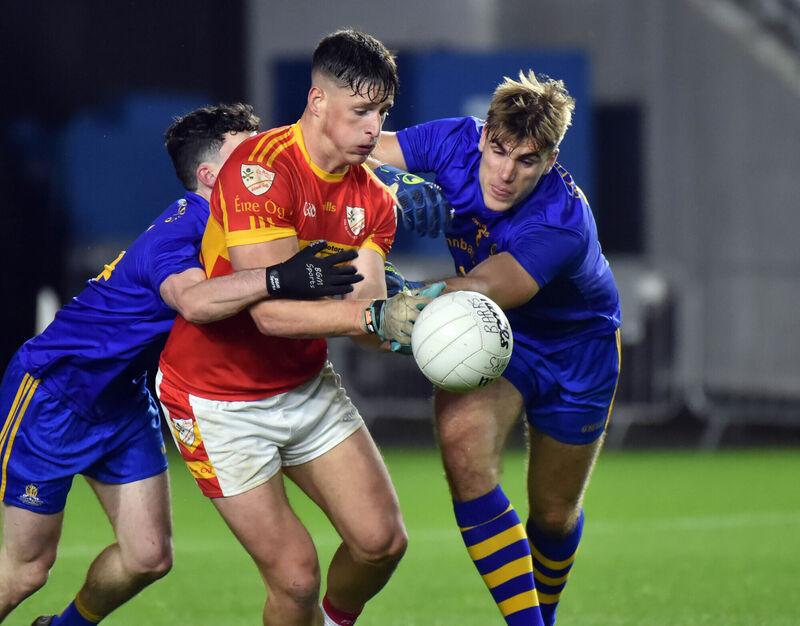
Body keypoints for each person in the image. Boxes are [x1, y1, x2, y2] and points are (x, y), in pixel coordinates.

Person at [0, 102, 366, 626]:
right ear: (209, 175)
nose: (266, 161)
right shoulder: (179, 230)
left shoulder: (250, 225)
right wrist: (283, 277)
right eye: (249, 154)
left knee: (148, 557)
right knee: (26, 571)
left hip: (124, 401)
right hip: (54, 396)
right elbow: (194, 302)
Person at [155, 29, 443, 626]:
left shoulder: (376, 201)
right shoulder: (259, 170)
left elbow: (367, 316)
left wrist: (420, 325)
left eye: (383, 112)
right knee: (295, 578)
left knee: (382, 543)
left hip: (304, 385)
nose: (374, 128)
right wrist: (372, 315)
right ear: (316, 102)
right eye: (361, 110)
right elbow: (271, 313)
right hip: (216, 400)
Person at [371, 70, 622, 626]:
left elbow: (486, 286)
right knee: (463, 450)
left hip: (576, 349)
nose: (505, 173)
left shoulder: (562, 222)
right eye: (499, 150)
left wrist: (395, 298)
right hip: (489, 336)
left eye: (527, 161)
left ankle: (543, 616)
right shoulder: (450, 140)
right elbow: (358, 152)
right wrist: (385, 183)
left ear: (551, 161)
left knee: (553, 516)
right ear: (483, 134)